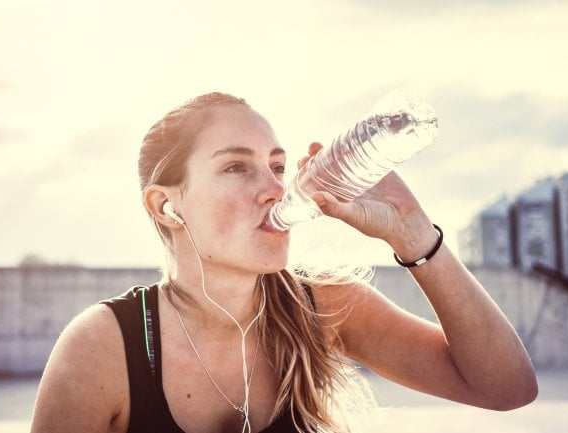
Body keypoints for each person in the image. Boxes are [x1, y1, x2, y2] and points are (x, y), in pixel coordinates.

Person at [29, 92, 537, 433]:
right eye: (235, 167)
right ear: (167, 205)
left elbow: (507, 388)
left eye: (276, 166)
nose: (276, 188)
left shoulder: (324, 307)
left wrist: (413, 232)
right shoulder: (103, 346)